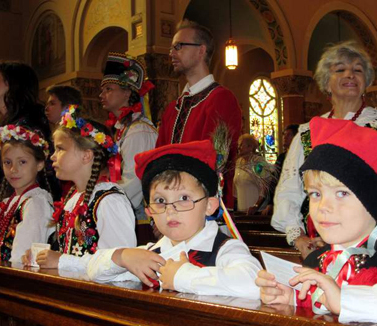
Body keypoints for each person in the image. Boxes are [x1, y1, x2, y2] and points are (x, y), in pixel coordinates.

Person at [257, 117, 377, 324]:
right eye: (315, 194)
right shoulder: (314, 261)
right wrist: (291, 299)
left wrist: (346, 301)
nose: (324, 206)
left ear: (374, 201)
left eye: (342, 193)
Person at [272, 41, 377, 258]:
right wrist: (298, 238)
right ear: (326, 82)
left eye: (357, 70)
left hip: (373, 244)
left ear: (366, 81)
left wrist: (372, 238)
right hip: (319, 241)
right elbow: (289, 189)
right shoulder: (307, 133)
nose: (350, 74)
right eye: (340, 69)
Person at [87, 140, 262, 299]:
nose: (170, 209)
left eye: (184, 198)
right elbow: (92, 269)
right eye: (160, 201)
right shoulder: (150, 254)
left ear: (209, 205)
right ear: (149, 211)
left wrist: (181, 276)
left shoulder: (226, 250)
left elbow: (254, 283)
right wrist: (122, 256)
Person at [24, 106, 136, 276]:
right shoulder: (73, 198)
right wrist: (41, 258)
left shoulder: (109, 201)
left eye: (60, 149)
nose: (52, 156)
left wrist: (61, 261)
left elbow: (119, 265)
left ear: (86, 156)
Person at [0, 61, 55, 254]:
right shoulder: (4, 124)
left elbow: (16, 180)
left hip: (12, 216)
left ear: (11, 84)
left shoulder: (29, 124)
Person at [157, 20, 242, 208]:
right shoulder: (173, 109)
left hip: (206, 210)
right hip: (170, 209)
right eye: (171, 48)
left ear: (201, 50)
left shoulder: (221, 99)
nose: (171, 53)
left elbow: (213, 160)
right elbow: (158, 160)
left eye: (179, 46)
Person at [100, 52, 157, 224]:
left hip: (137, 219)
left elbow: (134, 182)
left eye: (108, 89)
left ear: (126, 93)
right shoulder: (122, 129)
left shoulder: (139, 130)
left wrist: (105, 206)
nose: (101, 95)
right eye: (102, 90)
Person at [0, 125, 54, 263]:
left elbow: (23, 256)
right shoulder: (9, 203)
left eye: (22, 162)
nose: (13, 169)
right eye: (7, 162)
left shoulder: (36, 203)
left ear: (40, 164)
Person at [261, 124, 299, 216]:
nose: (285, 137)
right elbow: (274, 180)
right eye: (284, 134)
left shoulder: (301, 157)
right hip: (281, 202)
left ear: (296, 137)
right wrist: (270, 203)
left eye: (289, 135)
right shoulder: (281, 158)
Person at [234, 134, 267, 214]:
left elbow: (264, 187)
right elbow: (236, 185)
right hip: (241, 211)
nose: (239, 147)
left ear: (250, 147)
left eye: (241, 145)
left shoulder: (258, 162)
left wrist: (256, 206)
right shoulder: (239, 162)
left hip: (256, 211)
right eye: (239, 145)